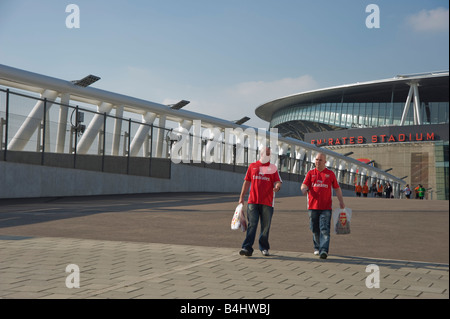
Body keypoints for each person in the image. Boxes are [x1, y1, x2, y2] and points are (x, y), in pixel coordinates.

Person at [238, 147, 282, 257]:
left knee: (265, 226)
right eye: (266, 153)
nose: (268, 155)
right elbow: (247, 182)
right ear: (261, 154)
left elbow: (278, 181)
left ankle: (264, 247)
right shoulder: (253, 166)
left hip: (267, 202)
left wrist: (277, 187)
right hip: (253, 201)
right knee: (252, 225)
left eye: (269, 154)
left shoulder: (272, 168)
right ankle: (247, 248)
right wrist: (241, 196)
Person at [301, 153, 345, 259]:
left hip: (326, 208)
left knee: (324, 229)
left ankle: (324, 250)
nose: (317, 162)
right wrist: (303, 189)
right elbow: (304, 185)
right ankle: (317, 247)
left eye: (320, 160)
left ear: (325, 162)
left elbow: (337, 188)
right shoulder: (311, 173)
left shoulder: (330, 174)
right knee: (314, 228)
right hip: (312, 207)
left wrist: (341, 201)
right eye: (316, 159)